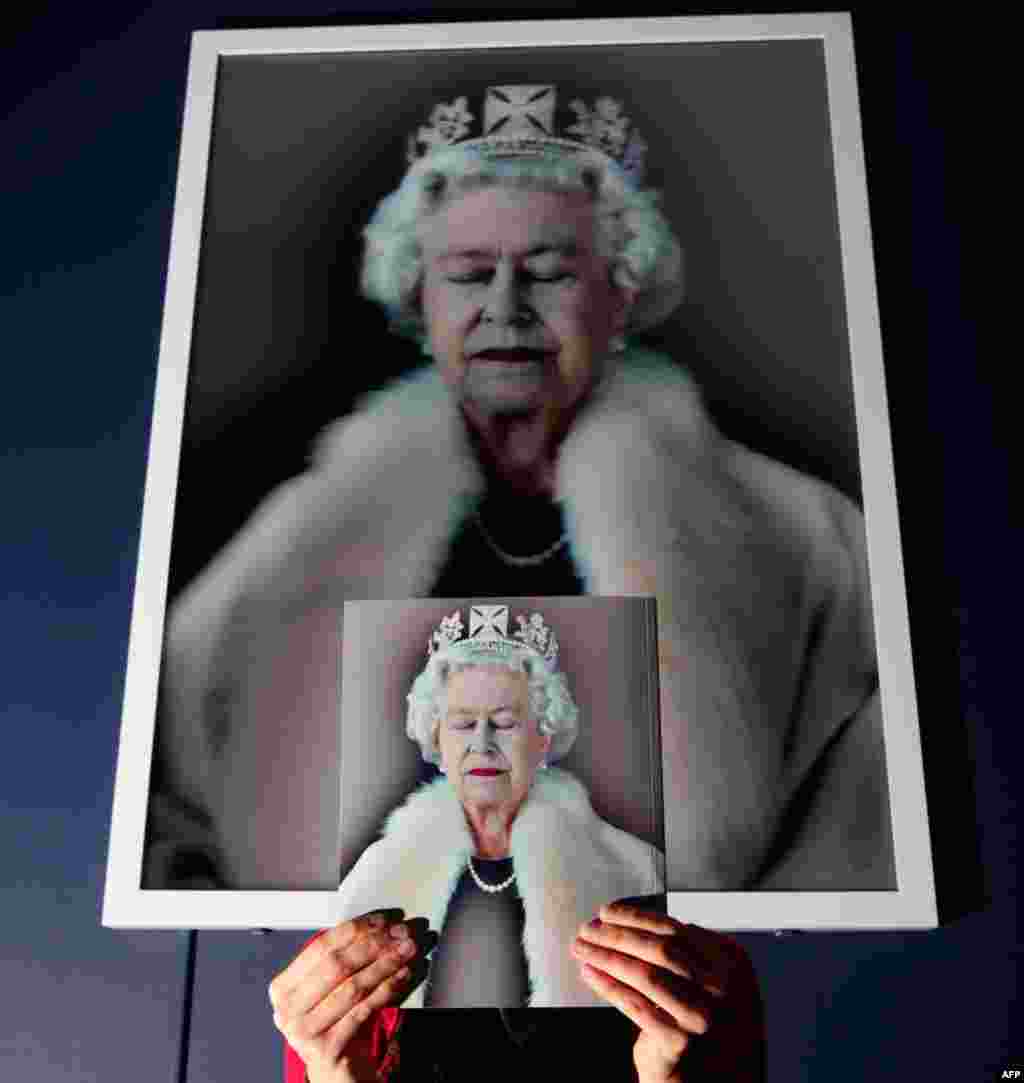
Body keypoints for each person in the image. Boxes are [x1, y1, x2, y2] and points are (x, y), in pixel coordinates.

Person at [146, 83, 892, 896]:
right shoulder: (296, 539)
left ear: (622, 294)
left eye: (548, 272)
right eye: (468, 274)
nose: (506, 307)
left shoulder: (800, 534)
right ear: (416, 298)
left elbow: (867, 817)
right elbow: (176, 817)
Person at [333, 605, 664, 1009]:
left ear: (544, 736)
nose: (482, 743)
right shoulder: (378, 871)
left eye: (504, 722)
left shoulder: (631, 868)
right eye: (462, 723)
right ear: (436, 739)